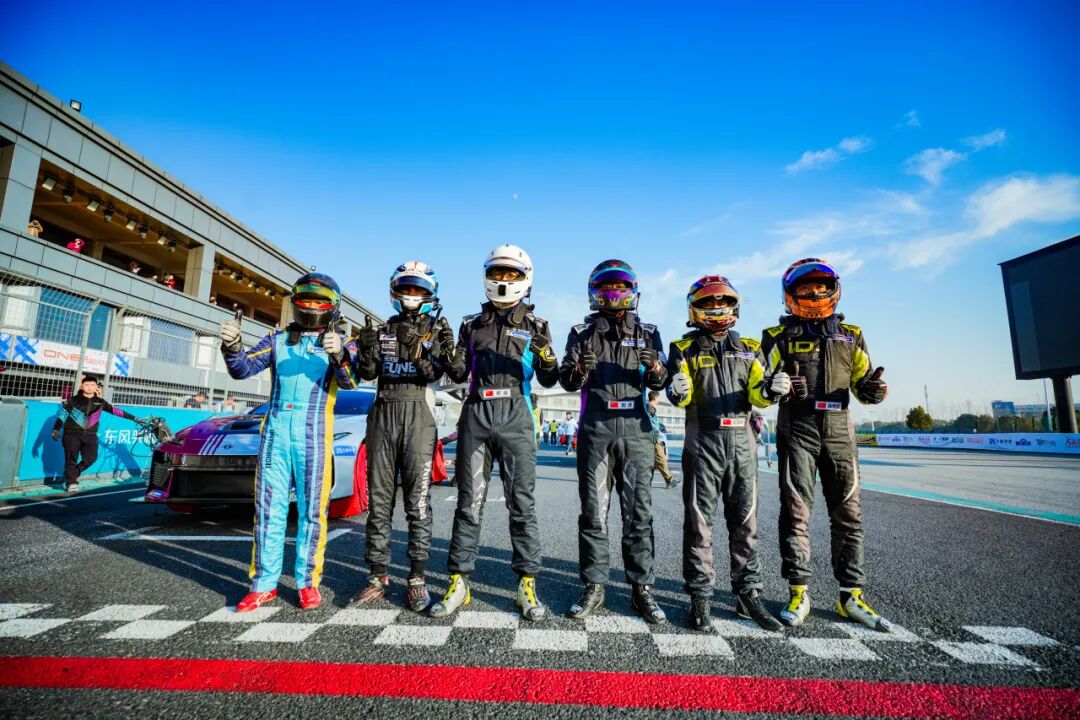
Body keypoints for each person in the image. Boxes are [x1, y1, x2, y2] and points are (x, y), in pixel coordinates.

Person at [761, 258, 892, 632]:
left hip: (840, 432)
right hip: (797, 430)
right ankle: (798, 593)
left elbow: (863, 385)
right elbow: (759, 385)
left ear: (834, 289)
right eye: (806, 288)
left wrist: (874, 390)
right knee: (796, 513)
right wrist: (774, 388)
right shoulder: (776, 336)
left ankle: (851, 597)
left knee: (849, 515)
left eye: (821, 287)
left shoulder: (852, 334)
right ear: (790, 294)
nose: (815, 293)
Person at [429, 244, 559, 621]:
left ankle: (527, 583)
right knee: (468, 502)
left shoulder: (537, 325)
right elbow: (457, 373)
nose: (503, 279)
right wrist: (445, 352)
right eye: (497, 272)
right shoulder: (471, 324)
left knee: (521, 504)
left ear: (525, 278)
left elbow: (551, 377)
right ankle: (458, 581)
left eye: (511, 274)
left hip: (517, 413)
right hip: (477, 413)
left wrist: (548, 357)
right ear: (487, 276)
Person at [220, 272, 357, 613]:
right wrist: (232, 346)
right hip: (275, 434)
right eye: (305, 299)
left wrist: (339, 354)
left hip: (315, 435)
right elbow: (241, 370)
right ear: (295, 302)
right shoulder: (276, 339)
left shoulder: (342, 341)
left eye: (318, 300)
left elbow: (351, 382)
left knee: (312, 512)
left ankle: (307, 582)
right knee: (269, 510)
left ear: (333, 306)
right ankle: (263, 584)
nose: (310, 306)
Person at [667, 276, 786, 633]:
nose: (716, 308)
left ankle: (748, 594)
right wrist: (676, 390)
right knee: (698, 524)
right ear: (694, 308)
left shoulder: (750, 347)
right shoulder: (681, 347)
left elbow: (758, 395)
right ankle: (700, 596)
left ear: (734, 306)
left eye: (722, 302)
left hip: (742, 441)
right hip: (702, 439)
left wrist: (773, 390)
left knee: (746, 523)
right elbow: (681, 396)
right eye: (708, 303)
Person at [559, 259, 669, 624]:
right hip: (596, 428)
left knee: (638, 513)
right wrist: (580, 369)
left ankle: (642, 589)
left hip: (637, 429)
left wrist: (655, 367)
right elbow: (565, 379)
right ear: (594, 292)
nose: (613, 293)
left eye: (620, 287)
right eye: (606, 287)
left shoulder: (650, 332)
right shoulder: (581, 332)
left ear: (633, 291)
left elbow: (662, 381)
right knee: (593, 512)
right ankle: (594, 586)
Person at [348, 261, 451, 613]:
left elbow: (439, 373)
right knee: (379, 503)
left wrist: (420, 350)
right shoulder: (383, 328)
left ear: (430, 293)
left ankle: (417, 579)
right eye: (406, 288)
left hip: (418, 417)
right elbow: (367, 373)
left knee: (417, 504)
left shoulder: (438, 329)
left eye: (418, 289)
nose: (411, 295)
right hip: (382, 416)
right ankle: (377, 577)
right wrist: (366, 350)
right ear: (395, 290)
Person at [51, 374, 147, 493]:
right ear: (81, 386)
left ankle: (72, 474)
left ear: (96, 387)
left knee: (91, 459)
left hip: (90, 436)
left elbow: (116, 411)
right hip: (71, 435)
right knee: (71, 459)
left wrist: (134, 418)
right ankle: (71, 482)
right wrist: (56, 429)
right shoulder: (73, 400)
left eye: (92, 385)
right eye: (86, 384)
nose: (89, 387)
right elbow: (62, 415)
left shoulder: (100, 402)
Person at [647, 390, 675, 487]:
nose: (659, 399)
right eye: (658, 398)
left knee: (652, 461)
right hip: (654, 438)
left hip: (651, 437)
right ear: (655, 398)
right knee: (661, 458)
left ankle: (647, 482)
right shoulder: (651, 408)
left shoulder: (650, 407)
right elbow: (648, 420)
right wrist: (654, 432)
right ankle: (670, 481)